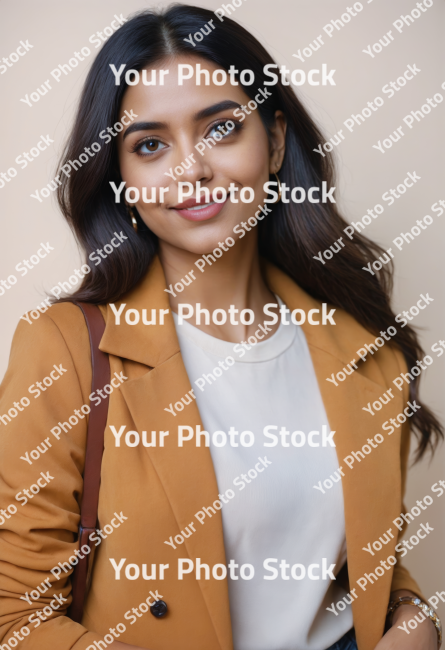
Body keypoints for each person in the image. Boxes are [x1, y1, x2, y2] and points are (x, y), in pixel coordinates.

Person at [0, 6, 442, 650]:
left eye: (223, 128)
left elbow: (340, 560)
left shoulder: (361, 345)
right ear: (121, 178)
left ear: (277, 141)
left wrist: (409, 614)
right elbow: (12, 615)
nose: (191, 169)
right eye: (150, 145)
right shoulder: (65, 348)